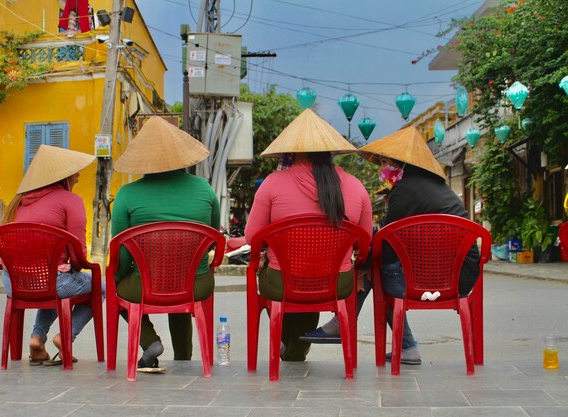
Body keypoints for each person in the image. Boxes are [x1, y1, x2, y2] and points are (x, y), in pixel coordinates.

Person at [304, 126, 481, 365]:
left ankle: (348, 323)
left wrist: (364, 264)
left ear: (400, 164)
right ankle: (402, 345)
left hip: (441, 276)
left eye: (385, 162)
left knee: (378, 272)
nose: (382, 168)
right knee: (378, 269)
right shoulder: (434, 186)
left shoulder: (404, 191)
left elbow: (386, 245)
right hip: (461, 275)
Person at [244, 108, 373, 361]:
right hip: (337, 283)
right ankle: (295, 349)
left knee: (282, 276)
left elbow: (252, 237)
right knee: (311, 280)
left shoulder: (273, 183)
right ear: (330, 150)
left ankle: (291, 347)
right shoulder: (355, 186)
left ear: (291, 150)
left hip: (282, 283)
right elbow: (364, 242)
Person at [111, 116, 219, 373]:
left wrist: (120, 276)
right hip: (195, 283)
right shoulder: (204, 189)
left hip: (145, 285)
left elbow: (121, 253)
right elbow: (214, 235)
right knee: (182, 277)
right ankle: (184, 359)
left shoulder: (127, 194)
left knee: (115, 289)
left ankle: (150, 341)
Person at [0, 144, 99, 366]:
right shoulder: (70, 201)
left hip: (14, 283)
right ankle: (66, 338)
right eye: (75, 172)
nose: (79, 177)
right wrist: (75, 267)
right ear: (63, 176)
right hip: (52, 282)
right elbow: (78, 256)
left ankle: (37, 340)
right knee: (100, 286)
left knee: (54, 278)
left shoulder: (18, 202)